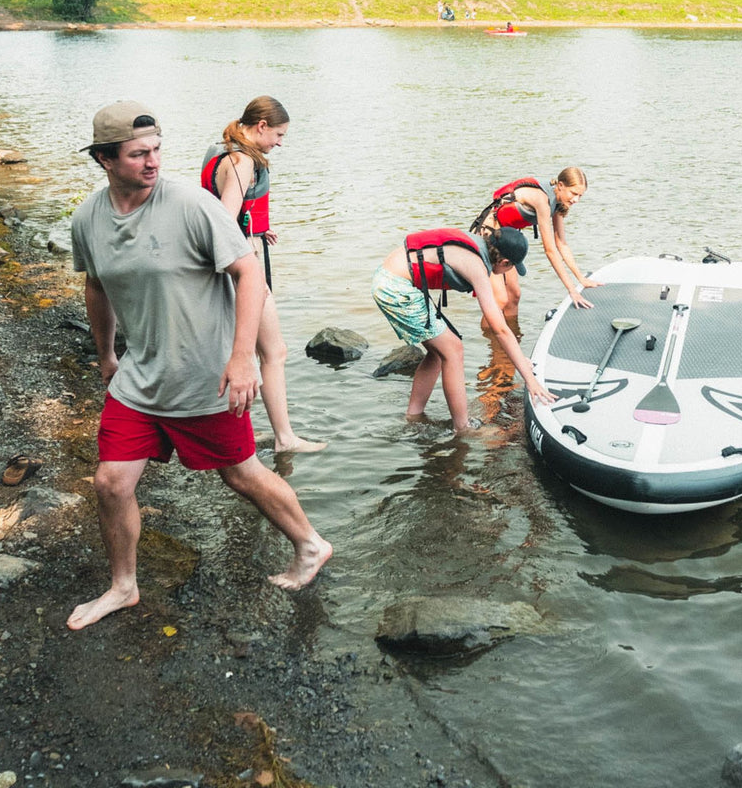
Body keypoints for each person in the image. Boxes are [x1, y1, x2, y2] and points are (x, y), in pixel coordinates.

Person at [68, 100, 331, 631]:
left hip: (203, 377)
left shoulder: (191, 205)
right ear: (104, 159)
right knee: (111, 483)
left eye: (157, 149)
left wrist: (242, 358)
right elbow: (96, 285)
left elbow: (249, 273)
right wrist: (106, 354)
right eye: (138, 154)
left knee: (241, 473)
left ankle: (310, 544)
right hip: (139, 378)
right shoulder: (88, 219)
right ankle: (123, 586)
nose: (153, 161)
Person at [201, 97, 325, 454]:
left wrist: (257, 228)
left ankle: (233, 431)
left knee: (247, 352)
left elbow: (218, 207)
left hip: (229, 267)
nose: (279, 143)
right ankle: (285, 439)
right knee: (274, 352)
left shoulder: (220, 150)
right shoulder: (242, 162)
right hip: (242, 273)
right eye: (279, 135)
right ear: (261, 126)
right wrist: (248, 258)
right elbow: (225, 222)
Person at [372, 225, 555, 429]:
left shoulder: (477, 246)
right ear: (504, 262)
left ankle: (414, 416)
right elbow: (500, 329)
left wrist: (519, 359)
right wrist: (530, 380)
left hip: (387, 278)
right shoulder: (476, 265)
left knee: (438, 353)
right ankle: (463, 428)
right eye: (511, 267)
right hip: (395, 288)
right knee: (453, 350)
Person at [470, 168, 600, 314]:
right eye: (574, 193)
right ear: (561, 185)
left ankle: (512, 329)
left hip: (507, 239)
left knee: (514, 296)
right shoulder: (542, 201)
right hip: (490, 237)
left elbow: (561, 243)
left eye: (580, 196)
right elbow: (550, 251)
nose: (576, 200)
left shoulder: (559, 202)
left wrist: (581, 279)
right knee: (500, 300)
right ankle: (495, 329)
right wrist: (572, 291)